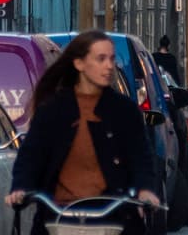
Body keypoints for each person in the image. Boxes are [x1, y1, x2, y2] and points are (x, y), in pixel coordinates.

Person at [9, 31, 161, 235]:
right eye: (100, 59)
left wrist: (145, 190)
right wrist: (21, 188)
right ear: (79, 64)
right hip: (60, 217)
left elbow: (141, 156)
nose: (109, 66)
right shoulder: (53, 110)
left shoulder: (124, 110)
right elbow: (31, 155)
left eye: (111, 58)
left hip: (112, 217)